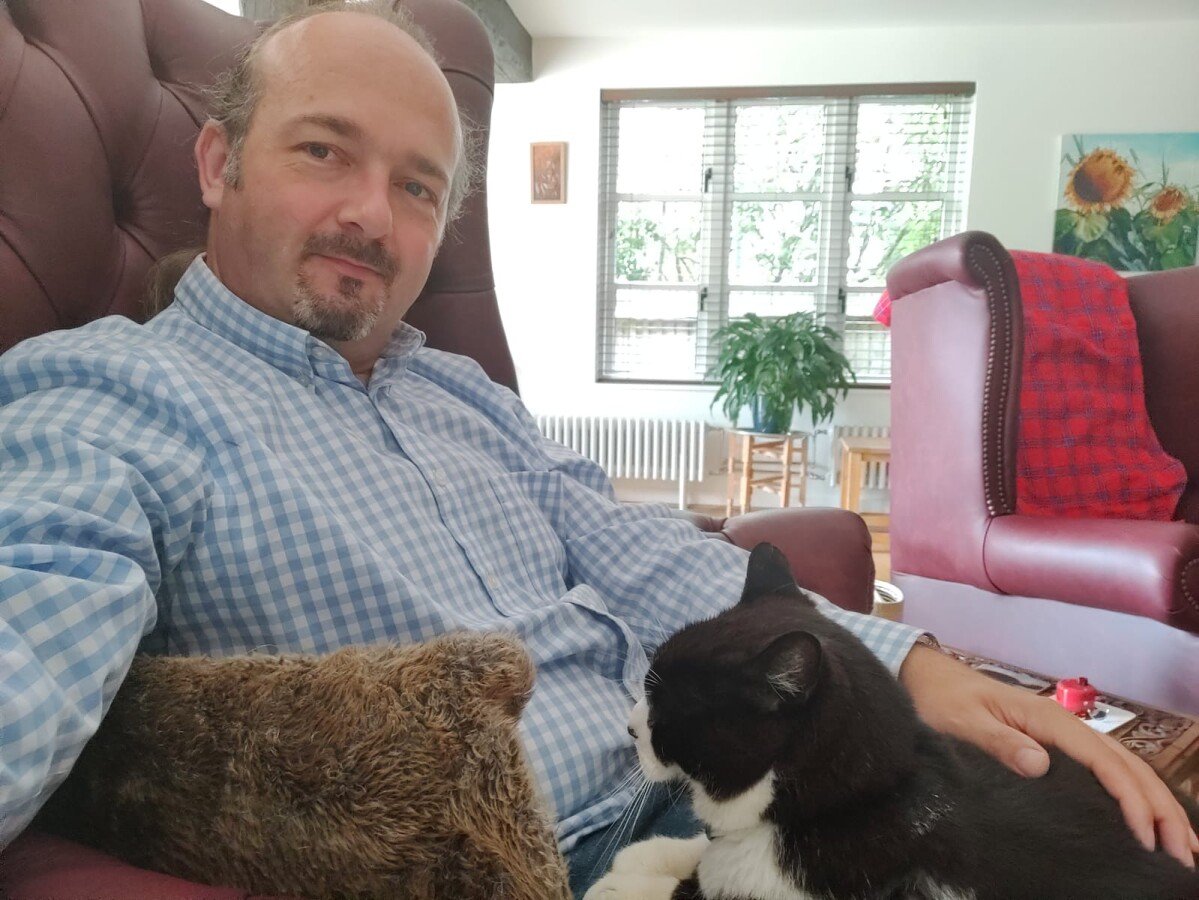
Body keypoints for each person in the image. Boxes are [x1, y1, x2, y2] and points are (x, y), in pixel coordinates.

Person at [0, 2, 1193, 895]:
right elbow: (30, 638)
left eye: (417, 187)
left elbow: (634, 549)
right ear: (219, 163)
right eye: (322, 151)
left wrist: (906, 664)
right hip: (568, 864)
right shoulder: (112, 395)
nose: (370, 213)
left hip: (712, 796)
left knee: (1120, 828)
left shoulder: (456, 390)